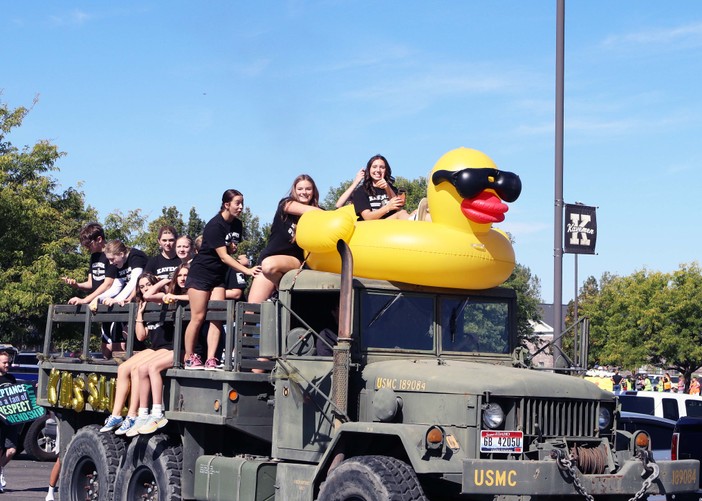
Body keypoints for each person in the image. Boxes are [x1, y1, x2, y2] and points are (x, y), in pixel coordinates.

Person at [183, 190, 259, 370]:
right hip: (200, 274)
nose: (241, 207)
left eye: (242, 203)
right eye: (237, 203)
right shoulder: (214, 226)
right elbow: (224, 257)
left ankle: (211, 359)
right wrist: (247, 271)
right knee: (198, 317)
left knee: (217, 317)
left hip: (218, 276)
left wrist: (232, 249)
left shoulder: (238, 225)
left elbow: (230, 250)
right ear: (226, 204)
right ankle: (189, 357)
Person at [99, 272, 170, 435]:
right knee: (123, 368)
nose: (145, 289)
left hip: (168, 347)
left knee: (140, 369)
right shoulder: (145, 305)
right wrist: (139, 314)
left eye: (148, 285)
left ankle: (133, 415)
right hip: (155, 347)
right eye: (142, 287)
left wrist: (159, 285)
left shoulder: (163, 300)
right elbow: (141, 336)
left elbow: (161, 294)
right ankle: (116, 415)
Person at [248, 175, 322, 303]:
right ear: (294, 190)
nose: (303, 192)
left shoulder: (319, 215)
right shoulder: (286, 203)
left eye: (308, 189)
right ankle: (280, 286)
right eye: (300, 189)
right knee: (251, 311)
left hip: (294, 262)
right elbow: (309, 211)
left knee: (269, 265)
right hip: (269, 259)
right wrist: (325, 214)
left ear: (313, 191)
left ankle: (281, 289)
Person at [63, 222, 116, 306]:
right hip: (96, 304)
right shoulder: (93, 256)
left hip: (110, 303)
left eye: (89, 245)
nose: (87, 248)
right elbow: (91, 283)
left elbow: (107, 285)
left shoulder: (112, 255)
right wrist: (77, 285)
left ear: (99, 239)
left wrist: (85, 300)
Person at [351, 154, 410, 221]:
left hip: (390, 222)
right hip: (372, 226)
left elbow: (398, 207)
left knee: (416, 212)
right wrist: (387, 207)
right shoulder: (361, 191)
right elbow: (367, 217)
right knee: (401, 213)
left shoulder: (392, 189)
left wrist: (387, 188)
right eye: (374, 167)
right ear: (369, 169)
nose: (378, 170)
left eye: (382, 167)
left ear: (386, 170)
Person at [0, 351, 19, 493]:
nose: (7, 365)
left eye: (8, 362)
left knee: (11, 450)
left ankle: (0, 470)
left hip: (11, 421)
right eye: (4, 362)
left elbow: (19, 395)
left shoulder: (11, 378)